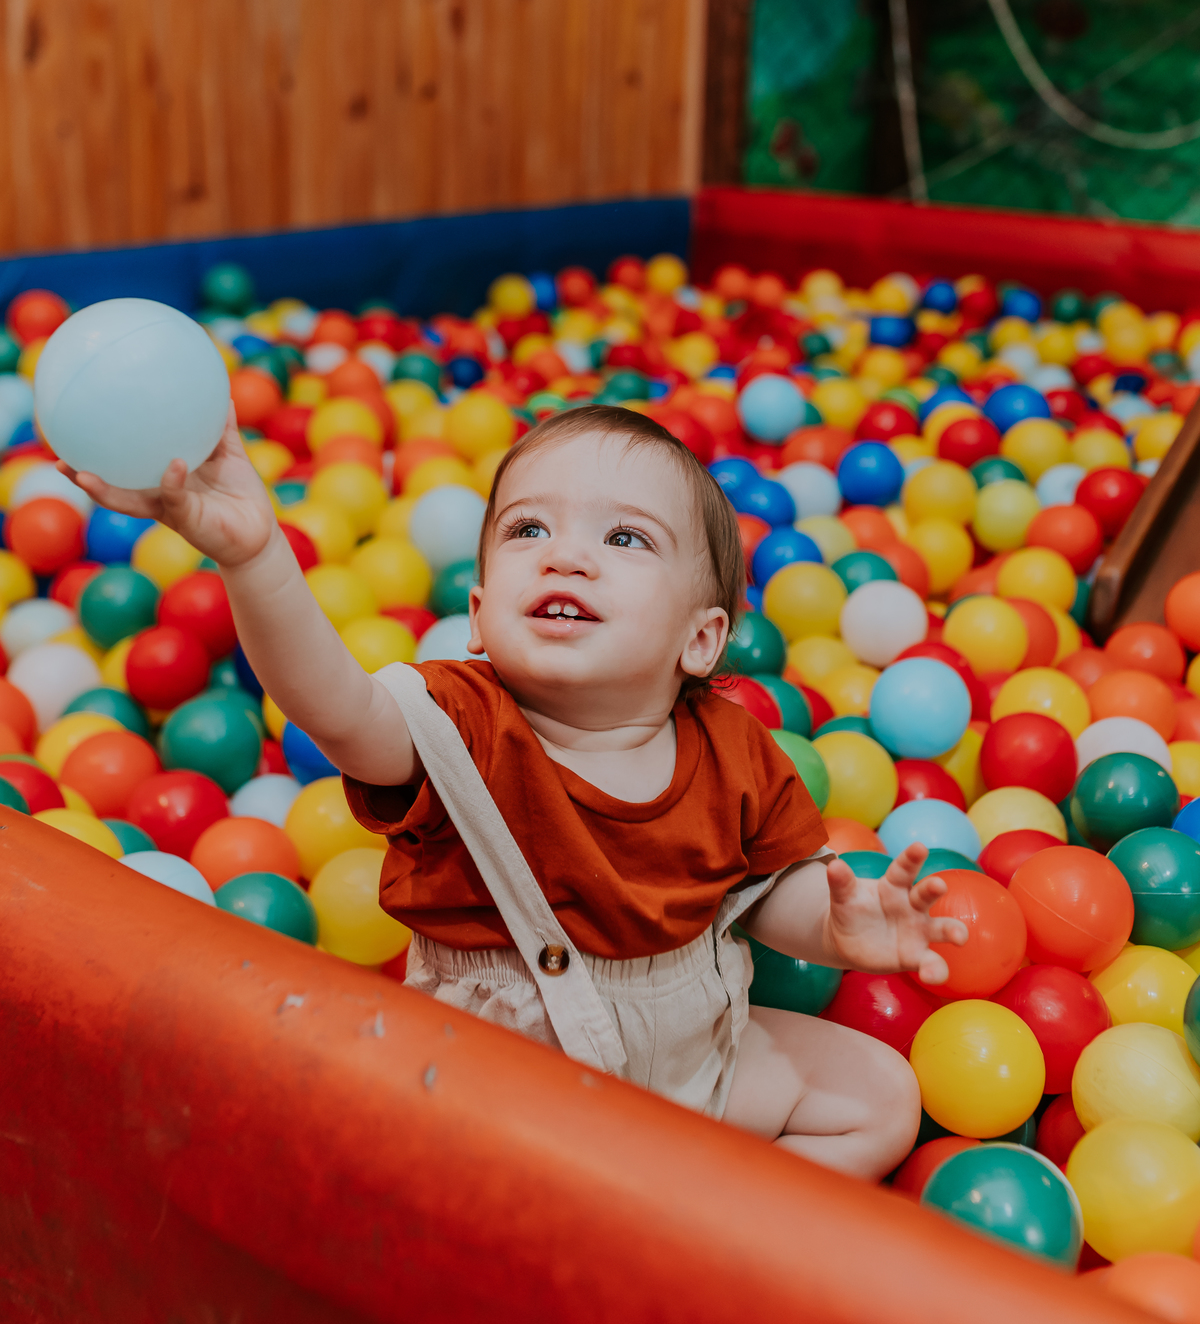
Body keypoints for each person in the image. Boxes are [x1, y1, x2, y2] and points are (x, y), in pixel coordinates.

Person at [61, 402, 968, 1180]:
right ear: (482, 609)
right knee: (395, 1161)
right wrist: (256, 556)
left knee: (878, 1095)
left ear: (701, 639)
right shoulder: (457, 722)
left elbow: (768, 892)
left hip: (694, 1062)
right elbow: (333, 705)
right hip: (497, 1088)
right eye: (529, 530)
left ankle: (712, 1248)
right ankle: (606, 1237)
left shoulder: (733, 747)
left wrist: (840, 925)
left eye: (624, 538)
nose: (566, 557)